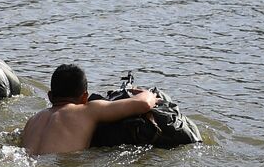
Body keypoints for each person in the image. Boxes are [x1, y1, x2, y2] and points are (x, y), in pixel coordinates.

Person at [20, 64, 160, 156]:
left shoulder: (33, 120)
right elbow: (144, 104)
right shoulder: (88, 110)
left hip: (25, 163)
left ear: (50, 96)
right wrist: (149, 93)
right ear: (85, 97)